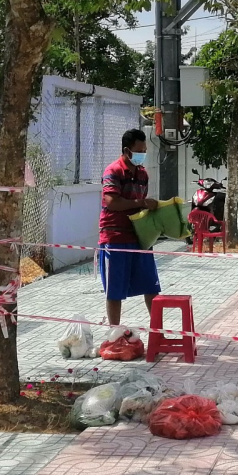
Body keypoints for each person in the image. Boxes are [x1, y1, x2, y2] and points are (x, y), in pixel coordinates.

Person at [99, 128, 161, 328]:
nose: (142, 155)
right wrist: (141, 203)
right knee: (114, 290)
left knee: (151, 285)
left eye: (144, 150)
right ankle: (115, 332)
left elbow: (141, 204)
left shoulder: (143, 174)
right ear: (127, 150)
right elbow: (112, 202)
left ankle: (157, 330)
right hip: (115, 237)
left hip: (141, 237)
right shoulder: (113, 171)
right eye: (139, 150)